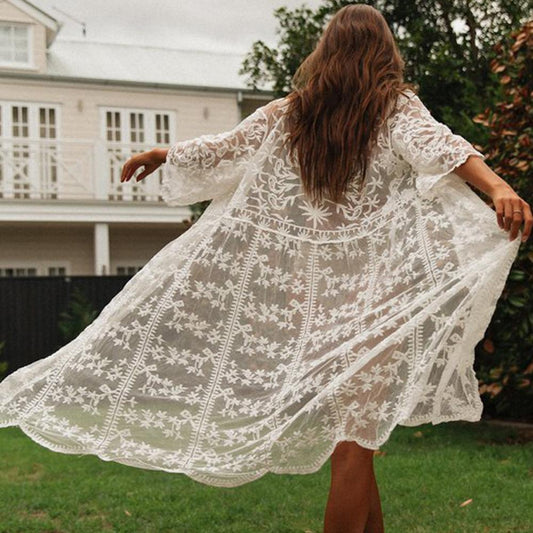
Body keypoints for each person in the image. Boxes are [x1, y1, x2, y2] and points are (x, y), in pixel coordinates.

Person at [0, 4, 530, 533]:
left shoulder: (294, 113)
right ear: (382, 52)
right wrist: (499, 187)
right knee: (354, 448)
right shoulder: (387, 108)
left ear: (327, 51)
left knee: (357, 445)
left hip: (319, 310)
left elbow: (222, 150)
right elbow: (445, 150)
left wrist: (164, 153)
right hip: (375, 307)